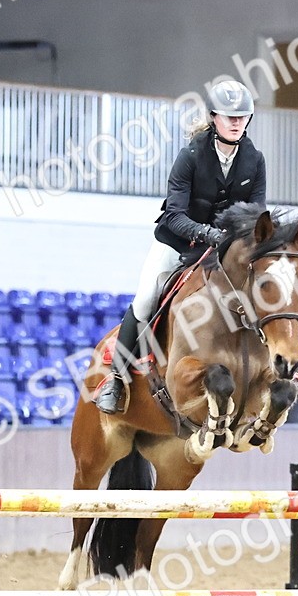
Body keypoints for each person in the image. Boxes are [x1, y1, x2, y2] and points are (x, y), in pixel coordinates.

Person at [95, 80, 267, 415]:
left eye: (242, 117)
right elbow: (173, 215)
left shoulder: (254, 160)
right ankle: (115, 378)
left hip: (225, 250)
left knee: (263, 291)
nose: (235, 122)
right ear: (213, 117)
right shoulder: (190, 156)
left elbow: (256, 213)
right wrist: (207, 234)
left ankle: (278, 364)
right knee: (146, 298)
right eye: (228, 116)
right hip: (178, 242)